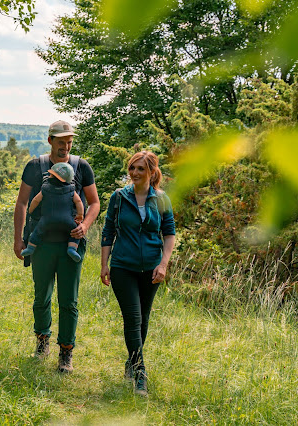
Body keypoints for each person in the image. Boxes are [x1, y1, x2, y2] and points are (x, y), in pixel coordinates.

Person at [14, 120, 100, 373]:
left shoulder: (81, 167)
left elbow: (94, 203)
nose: (66, 146)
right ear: (50, 140)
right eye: (61, 141)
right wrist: (18, 238)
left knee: (69, 301)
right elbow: (21, 203)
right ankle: (42, 341)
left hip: (70, 244)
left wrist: (84, 226)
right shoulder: (35, 166)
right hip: (40, 244)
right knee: (41, 296)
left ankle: (66, 352)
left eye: (69, 141)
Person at [99, 150, 176, 397]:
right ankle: (140, 373)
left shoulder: (161, 199)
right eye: (132, 168)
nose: (134, 173)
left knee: (143, 319)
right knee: (132, 318)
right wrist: (104, 264)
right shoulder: (119, 197)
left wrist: (163, 264)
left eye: (140, 169)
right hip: (123, 266)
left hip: (151, 268)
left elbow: (169, 233)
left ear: (152, 172)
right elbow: (108, 230)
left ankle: (131, 362)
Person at [20, 162, 85, 263]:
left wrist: (30, 210)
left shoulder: (45, 188)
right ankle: (72, 248)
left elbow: (36, 200)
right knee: (75, 232)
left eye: (51, 174)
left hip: (46, 220)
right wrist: (80, 215)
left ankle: (31, 248)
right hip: (67, 220)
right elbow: (78, 202)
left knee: (37, 231)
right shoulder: (71, 190)